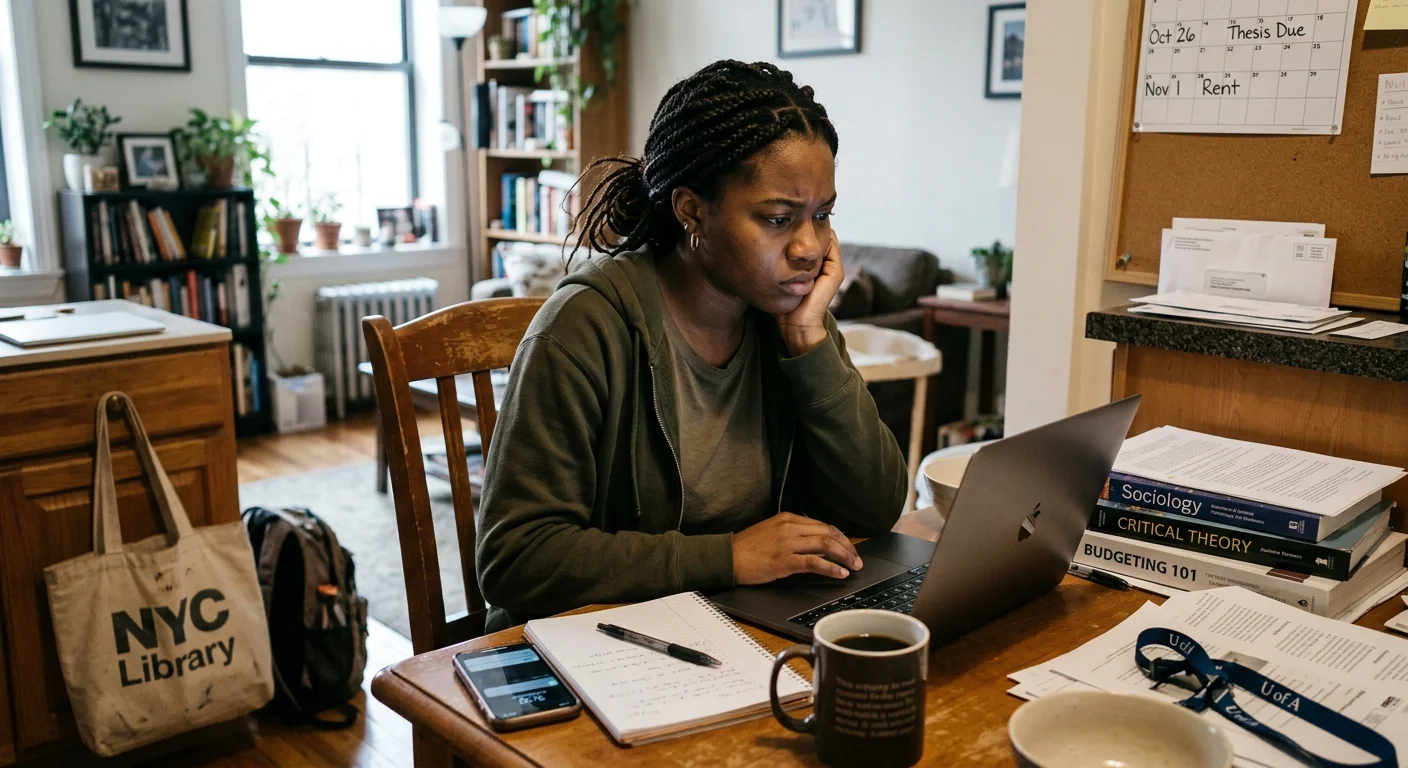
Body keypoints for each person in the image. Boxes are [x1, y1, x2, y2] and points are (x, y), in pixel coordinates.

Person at [476, 60, 908, 632]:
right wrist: (729, 557)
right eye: (779, 219)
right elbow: (516, 559)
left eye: (822, 215)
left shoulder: (791, 319)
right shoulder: (585, 327)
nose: (810, 247)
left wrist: (810, 343)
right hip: (597, 641)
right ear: (690, 211)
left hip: (735, 621)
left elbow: (876, 509)